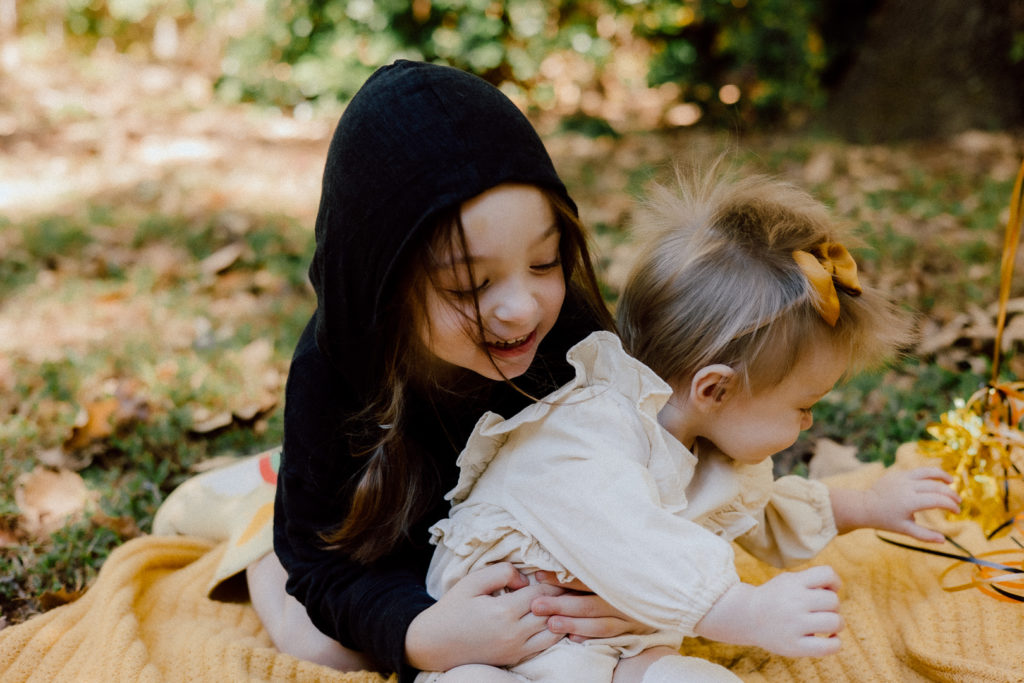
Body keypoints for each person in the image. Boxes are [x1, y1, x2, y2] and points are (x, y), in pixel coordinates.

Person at [416, 163, 963, 682]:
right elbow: (636, 541)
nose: (810, 419)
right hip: (506, 642)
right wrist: (742, 609)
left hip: (613, 646)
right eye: (802, 405)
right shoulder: (585, 436)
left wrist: (865, 507)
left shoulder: (706, 443)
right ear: (715, 388)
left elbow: (755, 509)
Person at [244, 59, 648, 682]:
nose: (521, 307)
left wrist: (620, 586)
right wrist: (419, 634)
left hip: (522, 555)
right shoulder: (334, 374)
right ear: (385, 289)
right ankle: (257, 564)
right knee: (324, 651)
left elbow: (632, 470)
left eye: (544, 262)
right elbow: (327, 566)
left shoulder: (570, 334)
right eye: (470, 285)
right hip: (393, 561)